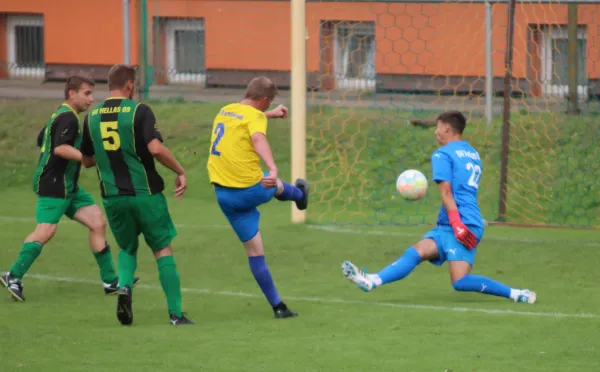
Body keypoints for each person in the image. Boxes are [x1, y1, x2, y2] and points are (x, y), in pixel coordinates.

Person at [342, 110, 537, 304]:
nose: (435, 132)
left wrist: (458, 224)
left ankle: (516, 293)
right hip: (453, 222)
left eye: (437, 127)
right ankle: (372, 280)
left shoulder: (442, 154)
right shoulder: (472, 153)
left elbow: (447, 193)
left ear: (446, 127)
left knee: (460, 281)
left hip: (461, 222)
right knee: (417, 251)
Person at [1, 75, 134, 301]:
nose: (91, 99)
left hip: (68, 185)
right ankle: (13, 276)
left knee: (97, 222)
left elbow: (42, 138)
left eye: (92, 94)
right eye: (87, 94)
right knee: (46, 230)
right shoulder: (69, 119)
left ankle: (110, 281)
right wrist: (86, 158)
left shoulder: (61, 115)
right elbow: (61, 148)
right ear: (72, 93)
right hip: (54, 183)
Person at [80, 64, 192, 326]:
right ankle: (175, 314)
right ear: (129, 84)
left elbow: (86, 160)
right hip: (145, 194)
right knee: (162, 249)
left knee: (128, 248)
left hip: (113, 197)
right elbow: (156, 149)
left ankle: (126, 288)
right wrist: (180, 170)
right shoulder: (139, 111)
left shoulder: (91, 116)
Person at [207, 76, 309, 319]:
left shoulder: (225, 111)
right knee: (272, 184)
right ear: (264, 100)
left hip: (224, 196)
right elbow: (257, 137)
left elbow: (247, 119)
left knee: (254, 252)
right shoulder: (254, 118)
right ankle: (300, 195)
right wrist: (273, 168)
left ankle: (278, 307)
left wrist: (270, 114)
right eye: (268, 103)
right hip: (249, 189)